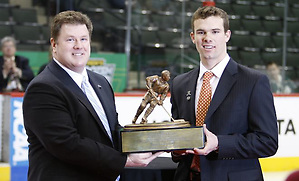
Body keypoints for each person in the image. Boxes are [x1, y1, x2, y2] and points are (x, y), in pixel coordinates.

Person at [23, 11, 161, 181]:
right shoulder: (43, 88)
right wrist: (124, 160)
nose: (78, 45)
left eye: (83, 39)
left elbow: (111, 131)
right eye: (70, 39)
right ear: (54, 44)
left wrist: (158, 142)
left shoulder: (99, 81)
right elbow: (67, 144)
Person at [170, 6, 278, 181]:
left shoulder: (254, 81)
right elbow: (178, 136)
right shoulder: (179, 83)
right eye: (201, 32)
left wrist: (218, 143)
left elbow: (267, 142)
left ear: (227, 35)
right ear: (192, 37)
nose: (207, 38)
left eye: (215, 31)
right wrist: (175, 148)